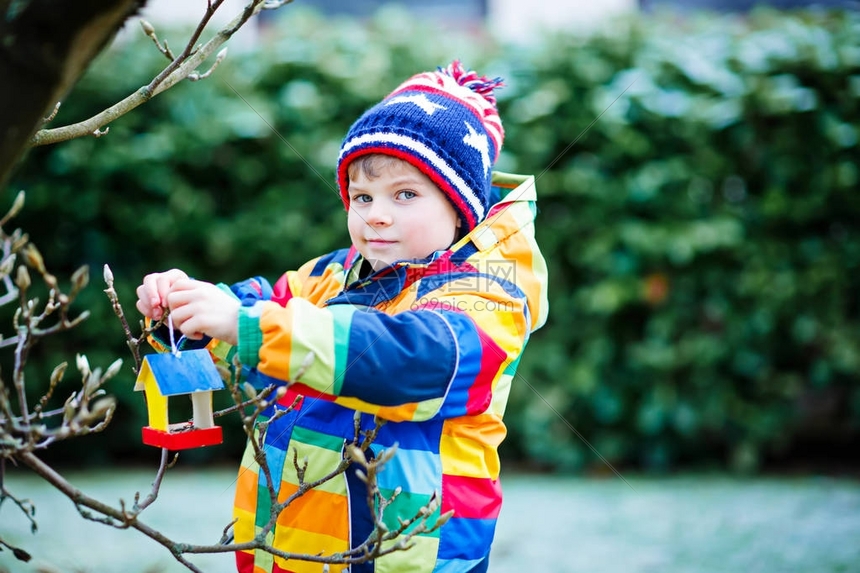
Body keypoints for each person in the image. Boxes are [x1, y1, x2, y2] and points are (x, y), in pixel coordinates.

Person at [135, 61, 549, 573]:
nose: (376, 214)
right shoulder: (332, 274)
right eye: (362, 196)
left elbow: (404, 362)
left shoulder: (487, 298)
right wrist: (188, 310)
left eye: (405, 195)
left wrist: (246, 325)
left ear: (460, 208)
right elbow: (259, 309)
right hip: (287, 544)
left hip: (402, 555)